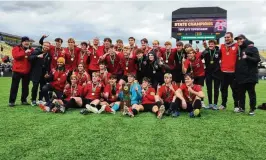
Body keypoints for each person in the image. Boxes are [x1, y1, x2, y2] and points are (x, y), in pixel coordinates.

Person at [234, 34, 261, 115]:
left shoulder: (252, 48)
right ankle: (241, 108)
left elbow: (257, 59)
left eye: (240, 39)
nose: (238, 40)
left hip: (250, 76)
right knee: (241, 93)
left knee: (251, 93)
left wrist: (247, 57)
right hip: (241, 76)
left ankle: (252, 109)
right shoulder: (239, 50)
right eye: (237, 39)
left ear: (245, 39)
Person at [9, 36, 34, 107]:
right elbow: (15, 56)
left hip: (27, 71)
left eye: (28, 41)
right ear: (22, 42)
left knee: (25, 87)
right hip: (17, 70)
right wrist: (25, 52)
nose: (27, 43)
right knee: (14, 86)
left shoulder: (31, 49)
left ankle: (24, 100)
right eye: (25, 41)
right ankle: (12, 101)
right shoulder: (16, 48)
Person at [219, 32, 238, 111]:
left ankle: (236, 106)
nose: (226, 39)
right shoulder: (222, 46)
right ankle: (223, 104)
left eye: (228, 37)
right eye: (225, 37)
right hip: (223, 72)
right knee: (223, 89)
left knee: (235, 90)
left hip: (233, 72)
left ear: (232, 38)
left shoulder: (237, 46)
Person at [29, 41, 51, 106]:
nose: (46, 47)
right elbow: (30, 58)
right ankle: (33, 100)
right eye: (45, 45)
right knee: (35, 87)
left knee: (42, 87)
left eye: (48, 46)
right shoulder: (37, 51)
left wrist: (47, 72)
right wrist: (37, 56)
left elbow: (48, 65)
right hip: (36, 73)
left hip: (43, 74)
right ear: (43, 45)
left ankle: (40, 99)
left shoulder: (49, 54)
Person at [201, 40, 221, 110]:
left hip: (217, 73)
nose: (210, 45)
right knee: (209, 89)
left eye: (212, 44)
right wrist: (205, 49)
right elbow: (200, 57)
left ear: (215, 45)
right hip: (208, 73)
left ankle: (215, 104)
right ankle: (210, 104)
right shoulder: (206, 52)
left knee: (216, 89)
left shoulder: (218, 51)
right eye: (209, 44)